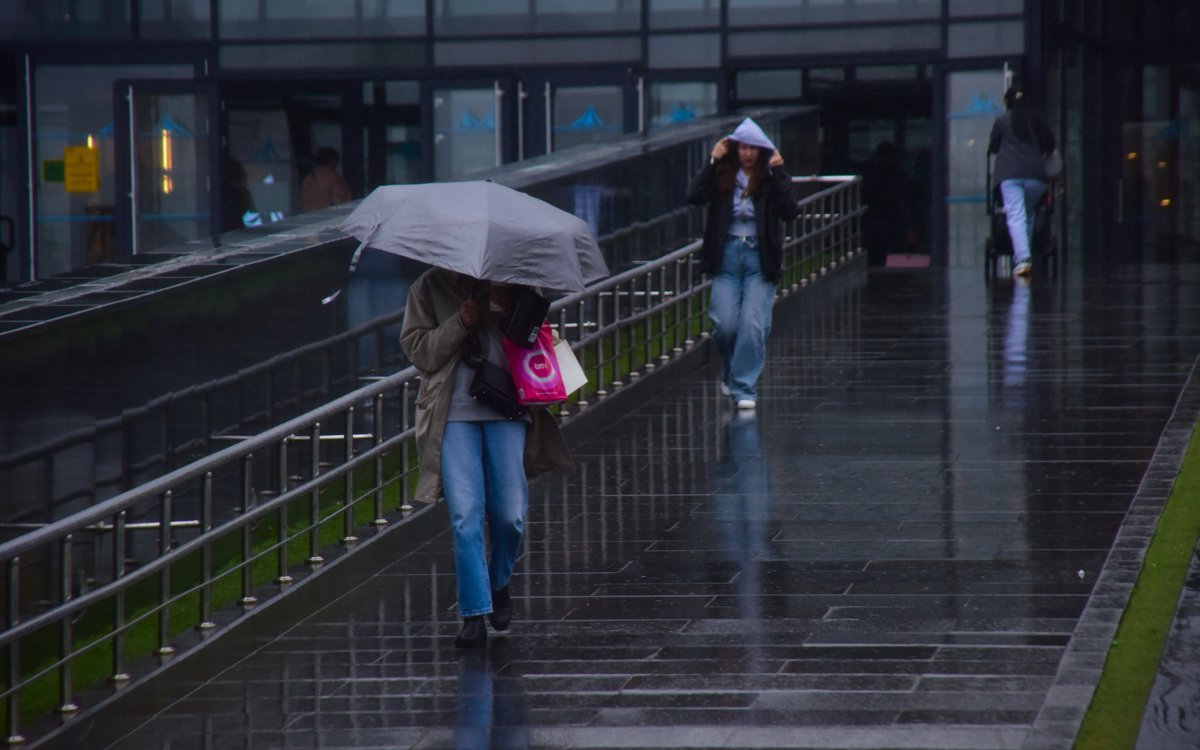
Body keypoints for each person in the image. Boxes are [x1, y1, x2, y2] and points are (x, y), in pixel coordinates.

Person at [399, 269, 573, 648]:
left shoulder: (518, 279)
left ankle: (498, 584)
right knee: (465, 516)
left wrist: (514, 311)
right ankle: (474, 612)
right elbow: (419, 352)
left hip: (507, 405)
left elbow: (537, 338)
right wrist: (459, 322)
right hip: (453, 414)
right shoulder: (427, 286)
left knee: (509, 514)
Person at [686, 117, 799, 410]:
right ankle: (731, 369)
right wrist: (712, 160)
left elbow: (790, 211)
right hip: (726, 256)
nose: (748, 153)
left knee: (752, 324)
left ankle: (743, 387)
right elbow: (693, 195)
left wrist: (780, 171)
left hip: (759, 259)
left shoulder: (770, 180)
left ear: (763, 151)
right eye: (743, 147)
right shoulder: (722, 176)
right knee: (725, 324)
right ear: (734, 149)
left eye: (754, 148)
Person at [988, 86, 1055, 278]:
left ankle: (1023, 259)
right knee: (1028, 213)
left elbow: (993, 146)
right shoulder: (1036, 118)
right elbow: (1049, 144)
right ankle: (1026, 254)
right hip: (1036, 175)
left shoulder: (1002, 120)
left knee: (1016, 216)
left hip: (1010, 174)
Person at [300, 146, 352, 212]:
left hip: (310, 218)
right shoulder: (334, 177)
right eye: (336, 161)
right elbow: (340, 203)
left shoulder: (308, 178)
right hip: (329, 218)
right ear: (331, 160)